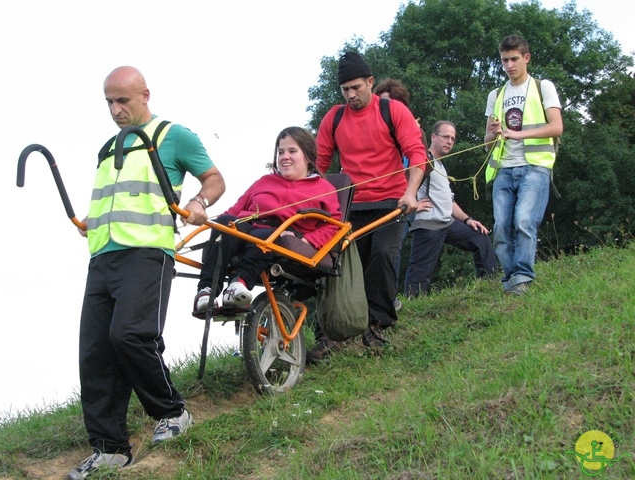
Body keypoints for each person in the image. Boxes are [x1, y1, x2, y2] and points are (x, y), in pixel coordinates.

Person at [68, 66, 226, 480]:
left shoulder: (174, 136)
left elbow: (214, 179)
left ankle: (172, 413)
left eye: (123, 100)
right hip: (102, 256)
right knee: (96, 351)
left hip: (147, 254)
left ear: (145, 94)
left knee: (130, 335)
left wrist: (198, 202)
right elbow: (116, 196)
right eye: (109, 102)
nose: (115, 110)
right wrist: (90, 219)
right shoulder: (107, 147)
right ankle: (109, 450)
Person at [312, 51, 428, 358]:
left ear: (370, 82)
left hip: (392, 201)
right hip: (351, 207)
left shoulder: (393, 111)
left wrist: (411, 193)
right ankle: (329, 334)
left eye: (356, 87)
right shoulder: (334, 119)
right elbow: (318, 167)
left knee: (382, 257)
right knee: (334, 266)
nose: (351, 95)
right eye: (345, 90)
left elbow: (417, 154)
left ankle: (376, 325)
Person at [193, 126, 341, 312]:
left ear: (307, 155)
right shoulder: (264, 181)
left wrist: (306, 240)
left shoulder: (324, 188)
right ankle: (206, 291)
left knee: (268, 235)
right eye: (281, 152)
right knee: (225, 224)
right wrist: (211, 223)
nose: (285, 156)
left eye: (292, 151)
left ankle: (240, 282)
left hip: (280, 232)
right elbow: (235, 210)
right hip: (248, 226)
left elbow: (333, 226)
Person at [484, 35, 563, 296]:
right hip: (503, 168)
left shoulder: (543, 87)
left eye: (514, 59)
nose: (509, 65)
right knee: (501, 228)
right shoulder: (495, 94)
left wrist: (519, 134)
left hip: (535, 166)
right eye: (504, 60)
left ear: (526, 58)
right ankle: (510, 280)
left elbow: (556, 126)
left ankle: (523, 277)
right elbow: (486, 142)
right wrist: (493, 133)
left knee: (524, 221)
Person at [404, 121, 498, 297]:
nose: (449, 141)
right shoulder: (424, 159)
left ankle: (489, 286)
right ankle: (412, 307)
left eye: (453, 139)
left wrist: (468, 220)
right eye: (445, 136)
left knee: (480, 237)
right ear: (433, 137)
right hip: (428, 225)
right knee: (419, 274)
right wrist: (415, 202)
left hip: (447, 223)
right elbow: (401, 179)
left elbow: (449, 201)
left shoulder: (440, 166)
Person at [373, 78, 428, 309]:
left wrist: (410, 193)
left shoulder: (414, 130)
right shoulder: (373, 128)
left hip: (402, 198)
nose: (386, 109)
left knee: (391, 250)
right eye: (381, 103)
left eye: (390, 103)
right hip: (374, 198)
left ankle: (389, 298)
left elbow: (421, 162)